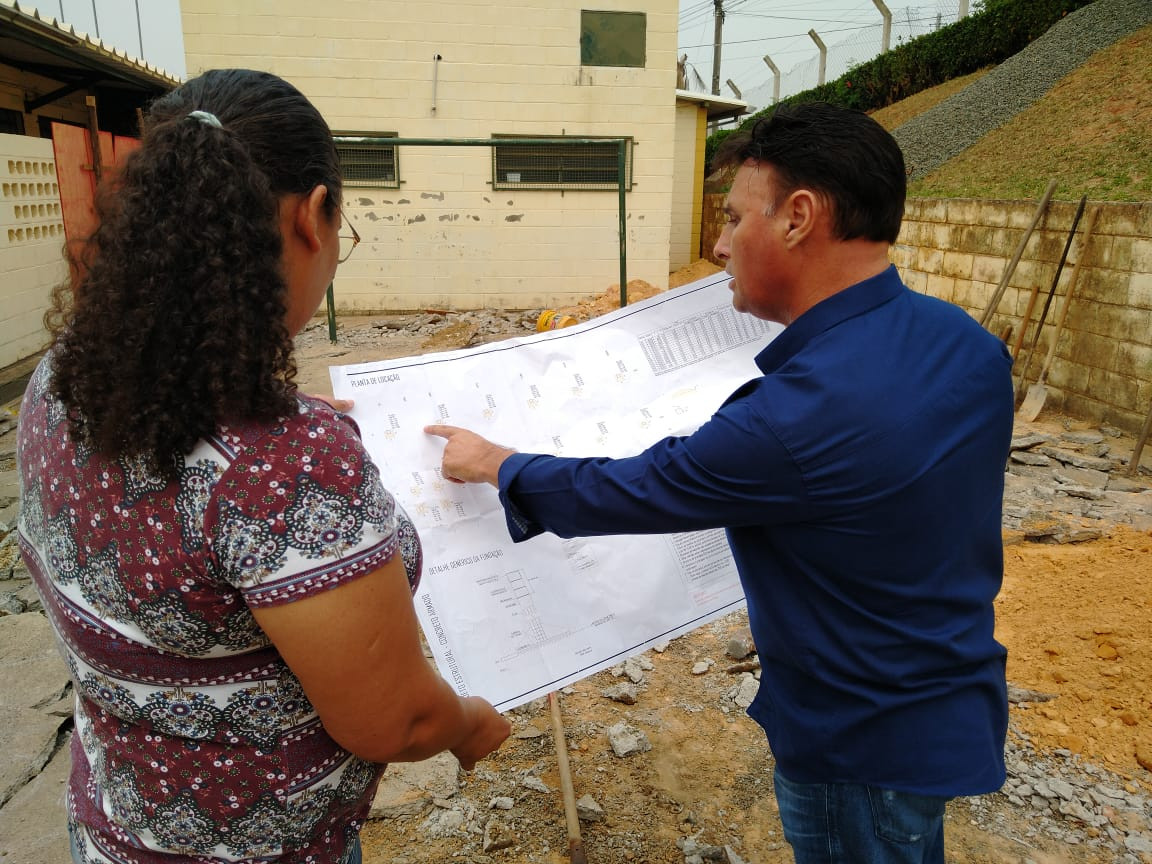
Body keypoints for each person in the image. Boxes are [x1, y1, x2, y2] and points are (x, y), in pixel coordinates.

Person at [426, 102, 1013, 864]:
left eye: (735, 218)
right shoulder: (964, 343)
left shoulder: (802, 414)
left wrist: (498, 464)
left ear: (799, 217)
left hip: (857, 742)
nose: (719, 243)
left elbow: (641, 487)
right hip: (940, 696)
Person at [16, 69, 509, 864]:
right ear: (313, 216)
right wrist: (467, 724)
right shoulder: (282, 469)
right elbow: (397, 721)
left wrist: (276, 416)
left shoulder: (65, 378)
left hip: (113, 830)